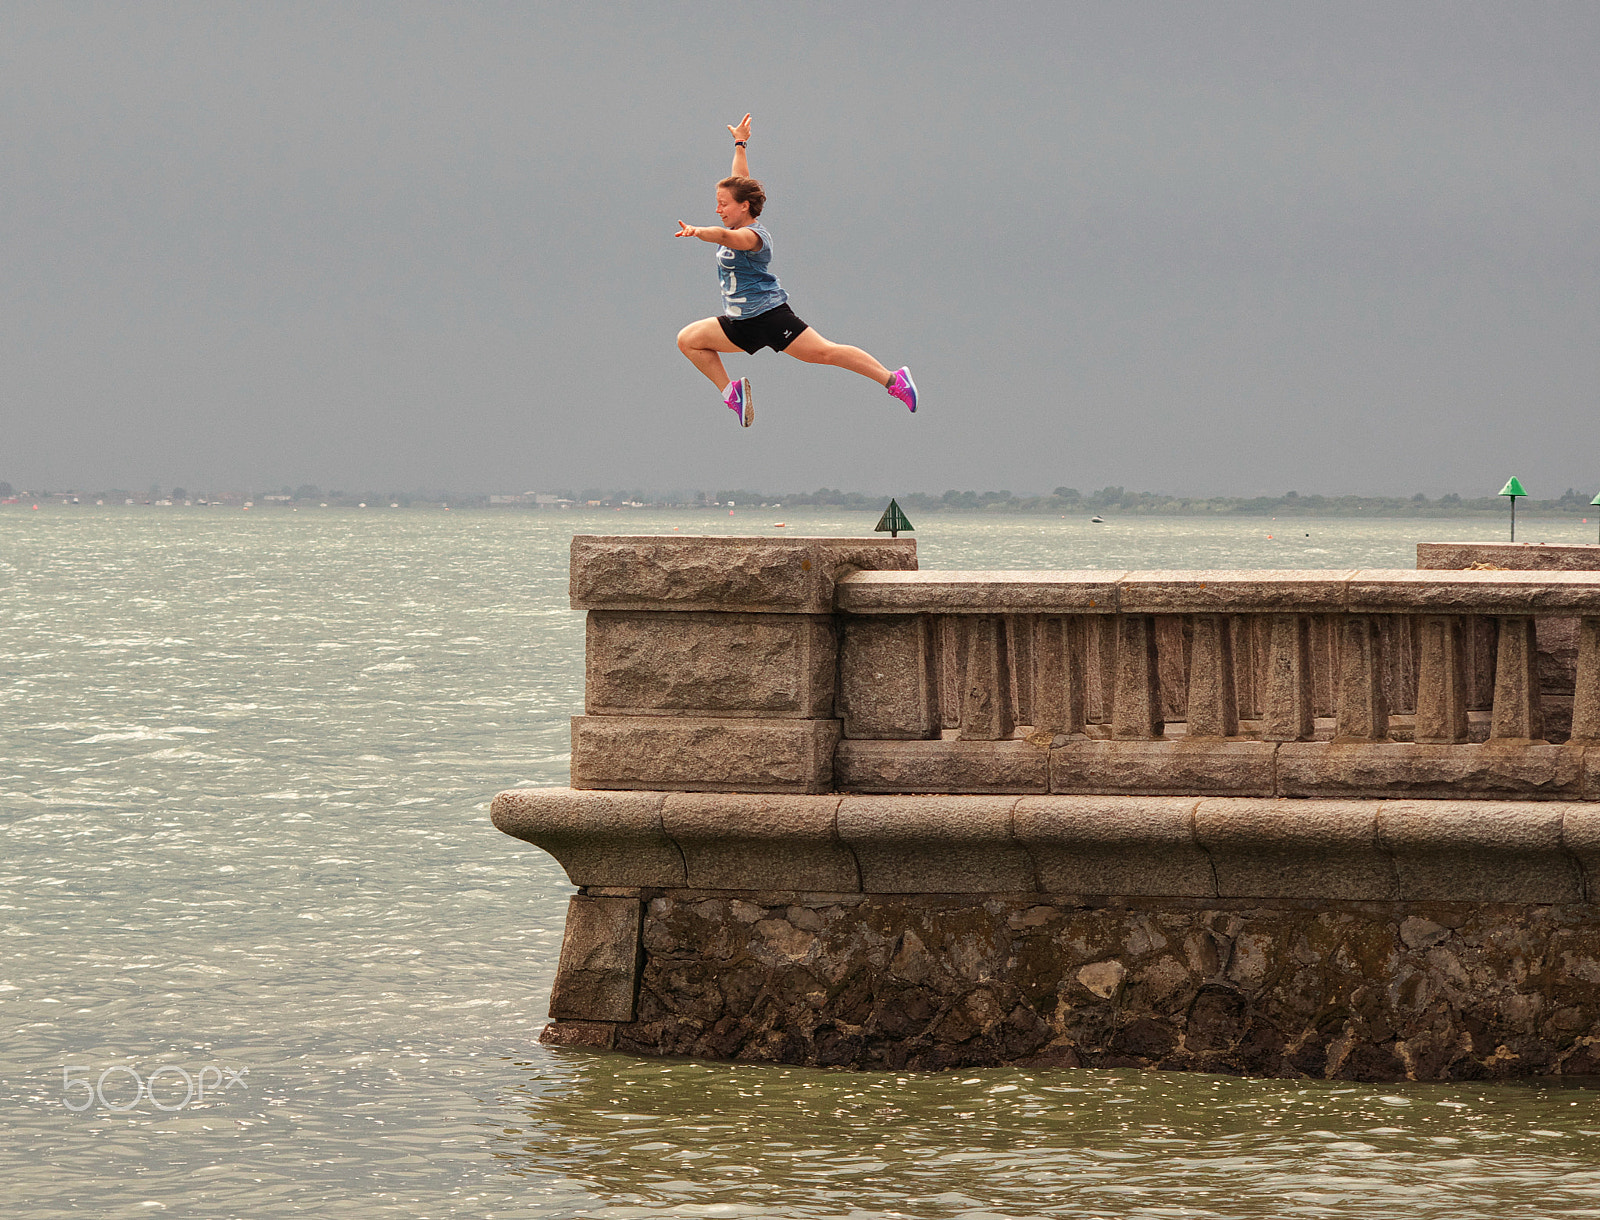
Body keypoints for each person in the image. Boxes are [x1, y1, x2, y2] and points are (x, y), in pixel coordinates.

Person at [674, 114, 917, 428]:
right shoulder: (739, 210)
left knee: (825, 353)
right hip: (740, 322)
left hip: (770, 318)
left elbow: (724, 236)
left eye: (723, 204)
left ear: (743, 207)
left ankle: (893, 380)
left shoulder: (753, 237)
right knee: (688, 340)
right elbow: (741, 181)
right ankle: (732, 393)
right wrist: (740, 143)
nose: (718, 209)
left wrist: (697, 231)